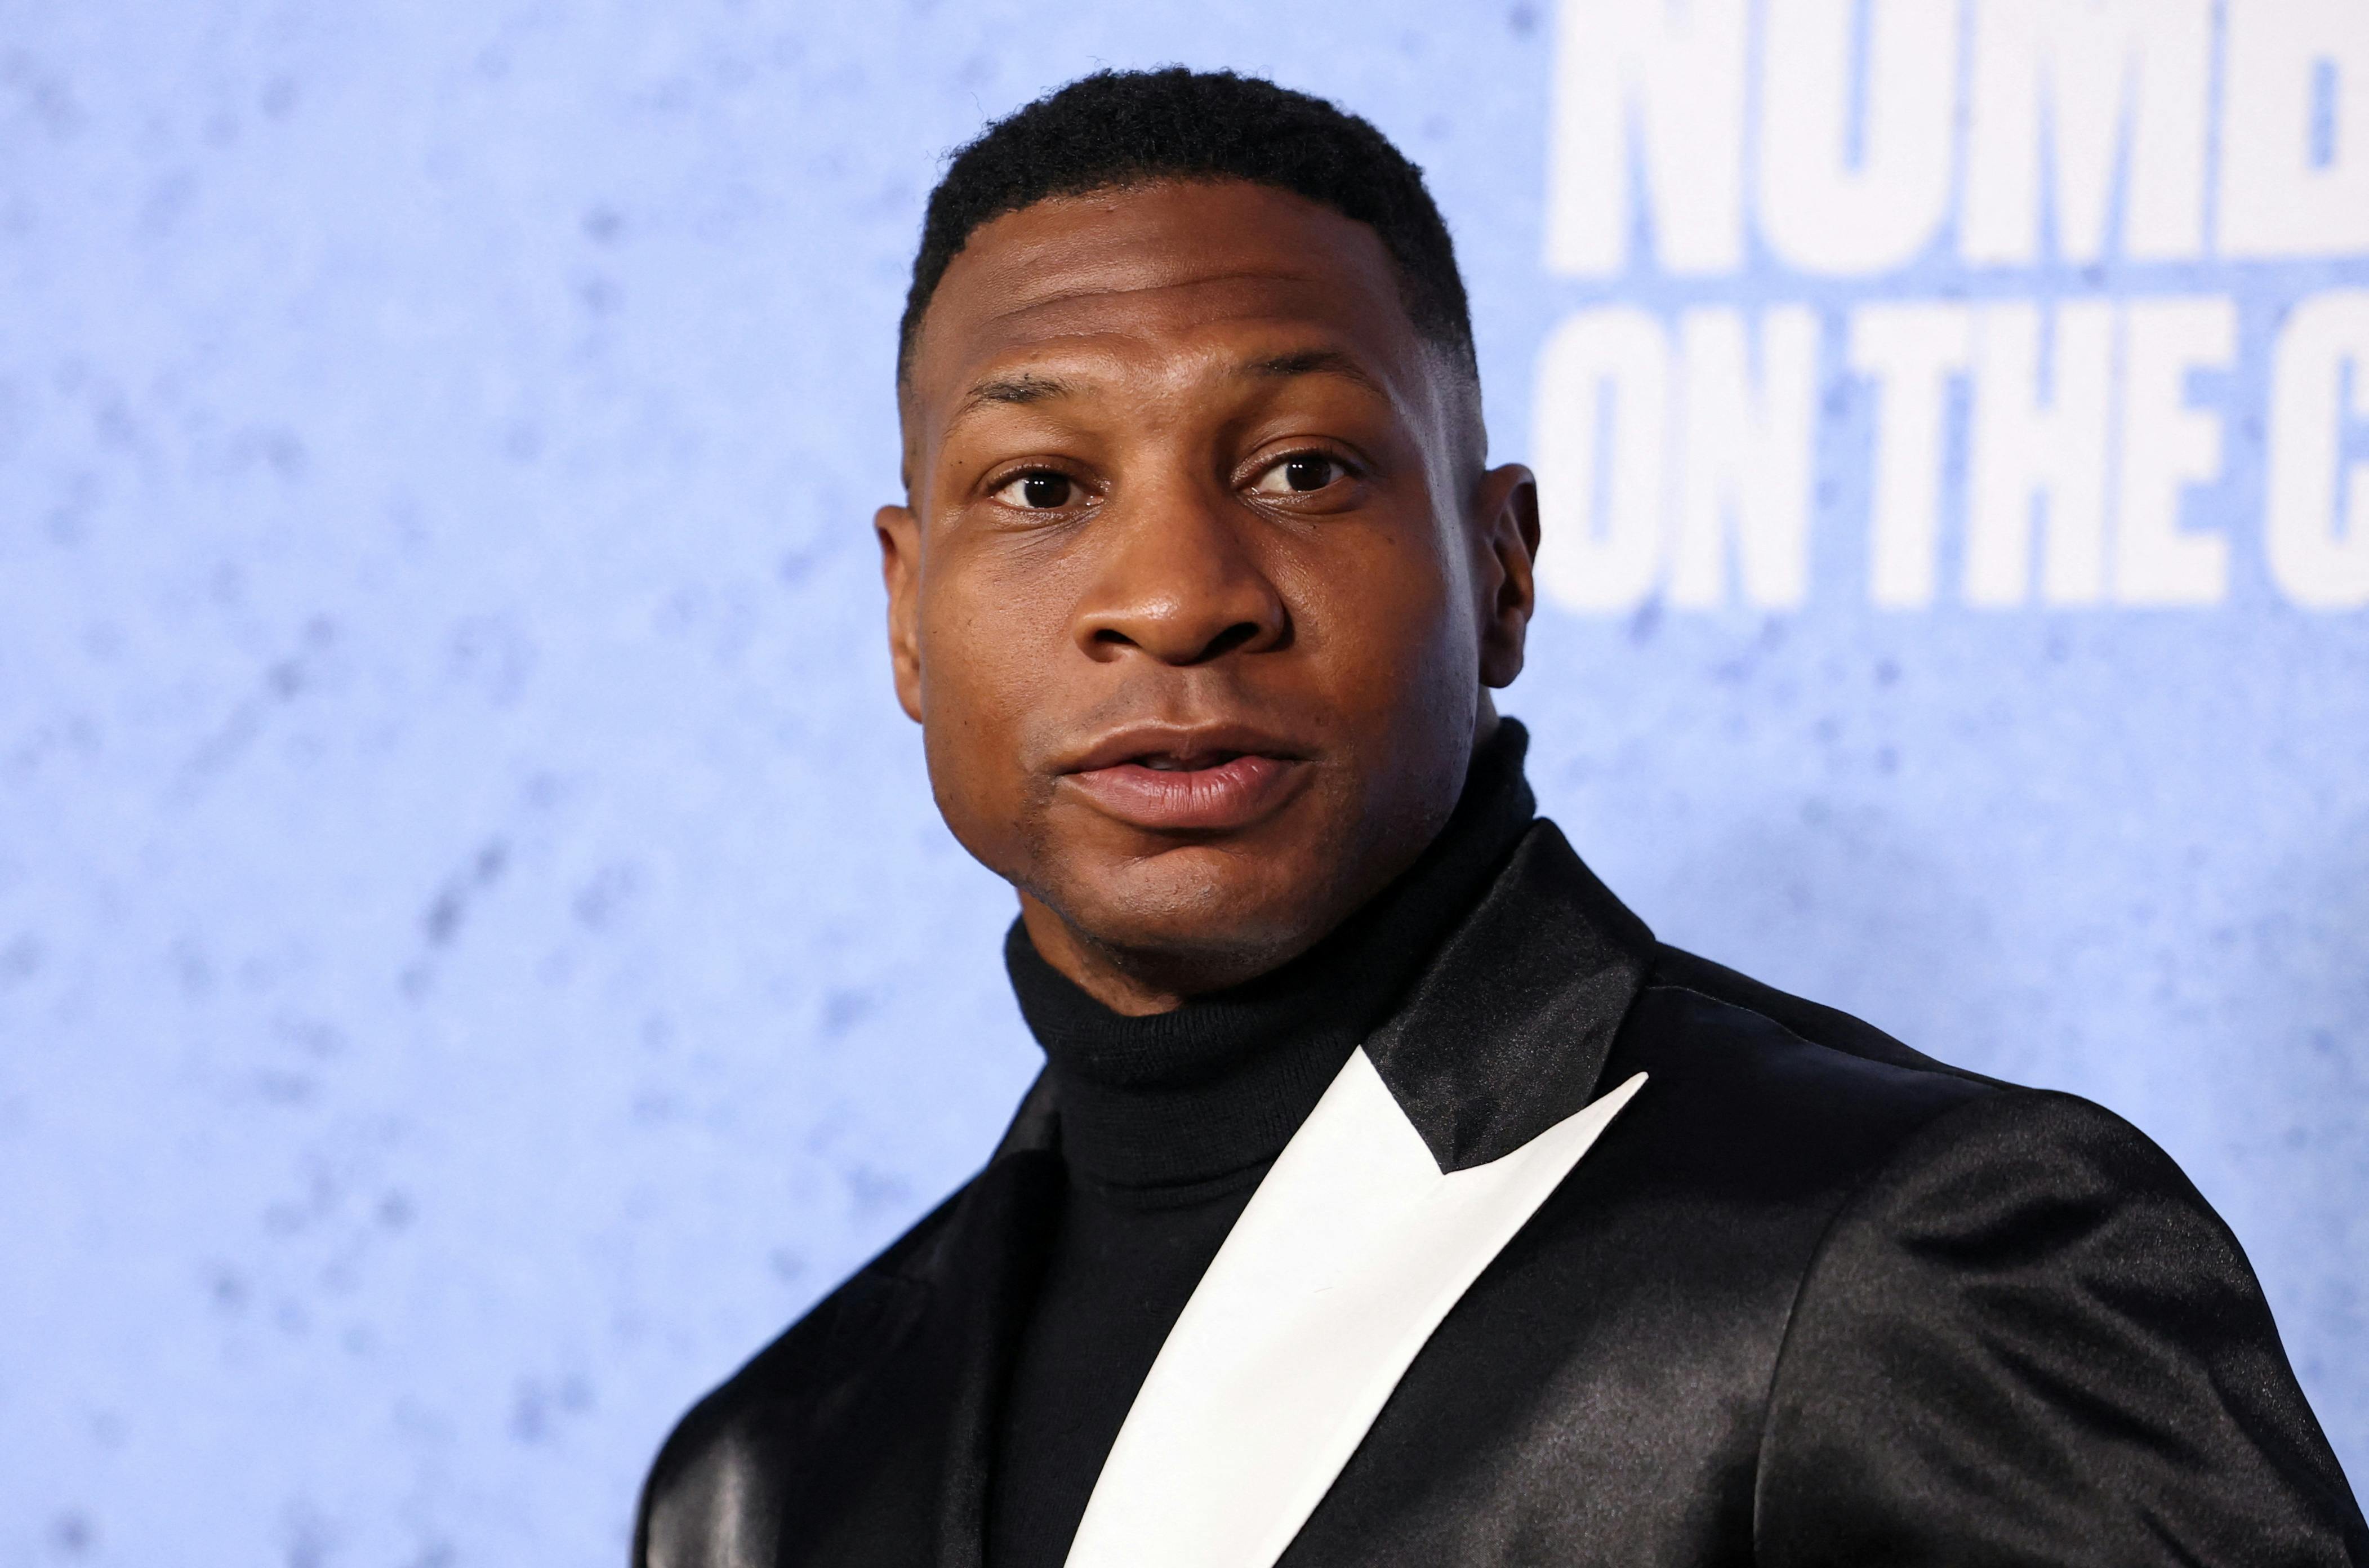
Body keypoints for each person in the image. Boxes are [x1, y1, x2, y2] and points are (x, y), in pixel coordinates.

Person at [635, 68, 2367, 1568]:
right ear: (905, 613)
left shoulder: (1917, 1258)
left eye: (1303, 467)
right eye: (1042, 488)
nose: (1173, 597)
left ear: (1504, 567)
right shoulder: (765, 1474)